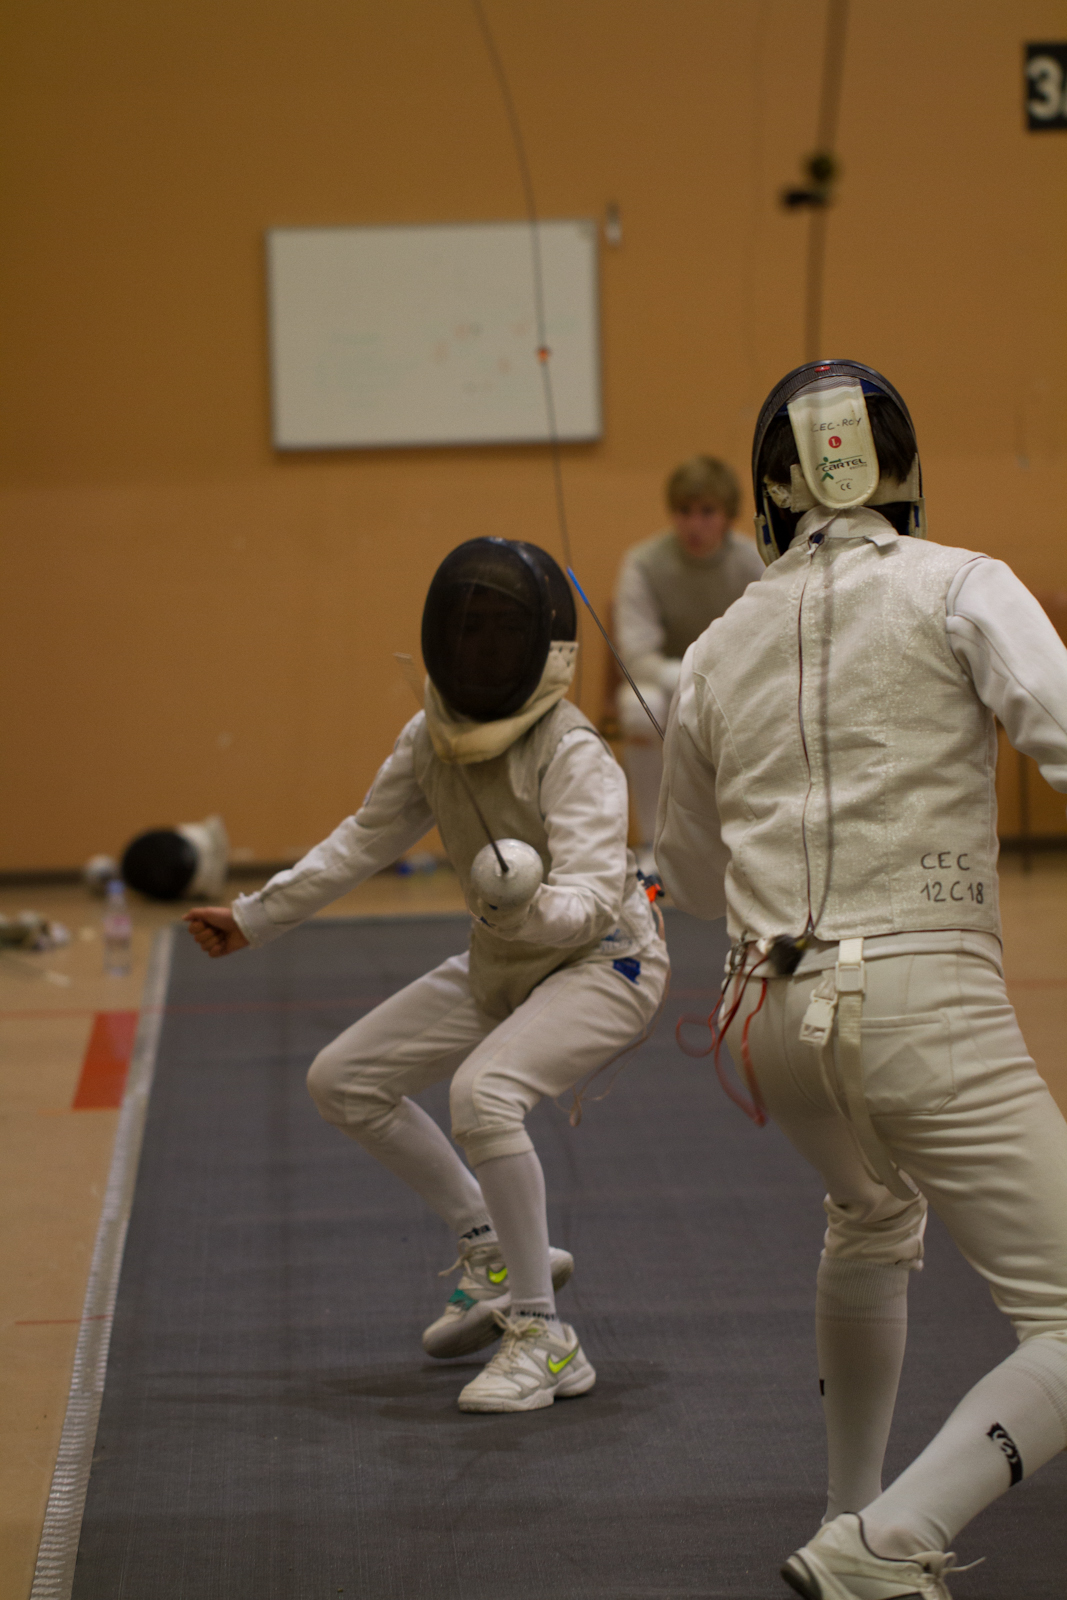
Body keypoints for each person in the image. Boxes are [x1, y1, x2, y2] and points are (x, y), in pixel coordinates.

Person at [655, 359, 1067, 1597]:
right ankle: (885, 1543)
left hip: (763, 1019)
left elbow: (687, 873)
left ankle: (847, 1507)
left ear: (770, 492)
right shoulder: (960, 583)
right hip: (918, 1002)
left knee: (871, 1215)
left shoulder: (714, 645)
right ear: (900, 470)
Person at [185, 537, 668, 1414]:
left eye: (502, 630)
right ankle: (489, 1244)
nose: (482, 647)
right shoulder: (432, 736)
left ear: (542, 645)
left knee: (485, 1094)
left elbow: (593, 900)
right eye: (468, 628)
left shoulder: (572, 751)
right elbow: (362, 840)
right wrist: (255, 918)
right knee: (344, 1080)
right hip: (505, 958)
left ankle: (545, 1337)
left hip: (607, 963)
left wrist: (523, 907)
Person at [612, 455, 763, 870]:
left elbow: (767, 639)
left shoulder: (752, 561)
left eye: (707, 511)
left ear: (728, 514)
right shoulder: (644, 563)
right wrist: (694, 680)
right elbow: (637, 656)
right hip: (670, 686)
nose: (695, 524)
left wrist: (722, 681)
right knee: (636, 705)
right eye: (684, 511)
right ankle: (653, 846)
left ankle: (750, 842)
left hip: (738, 683)